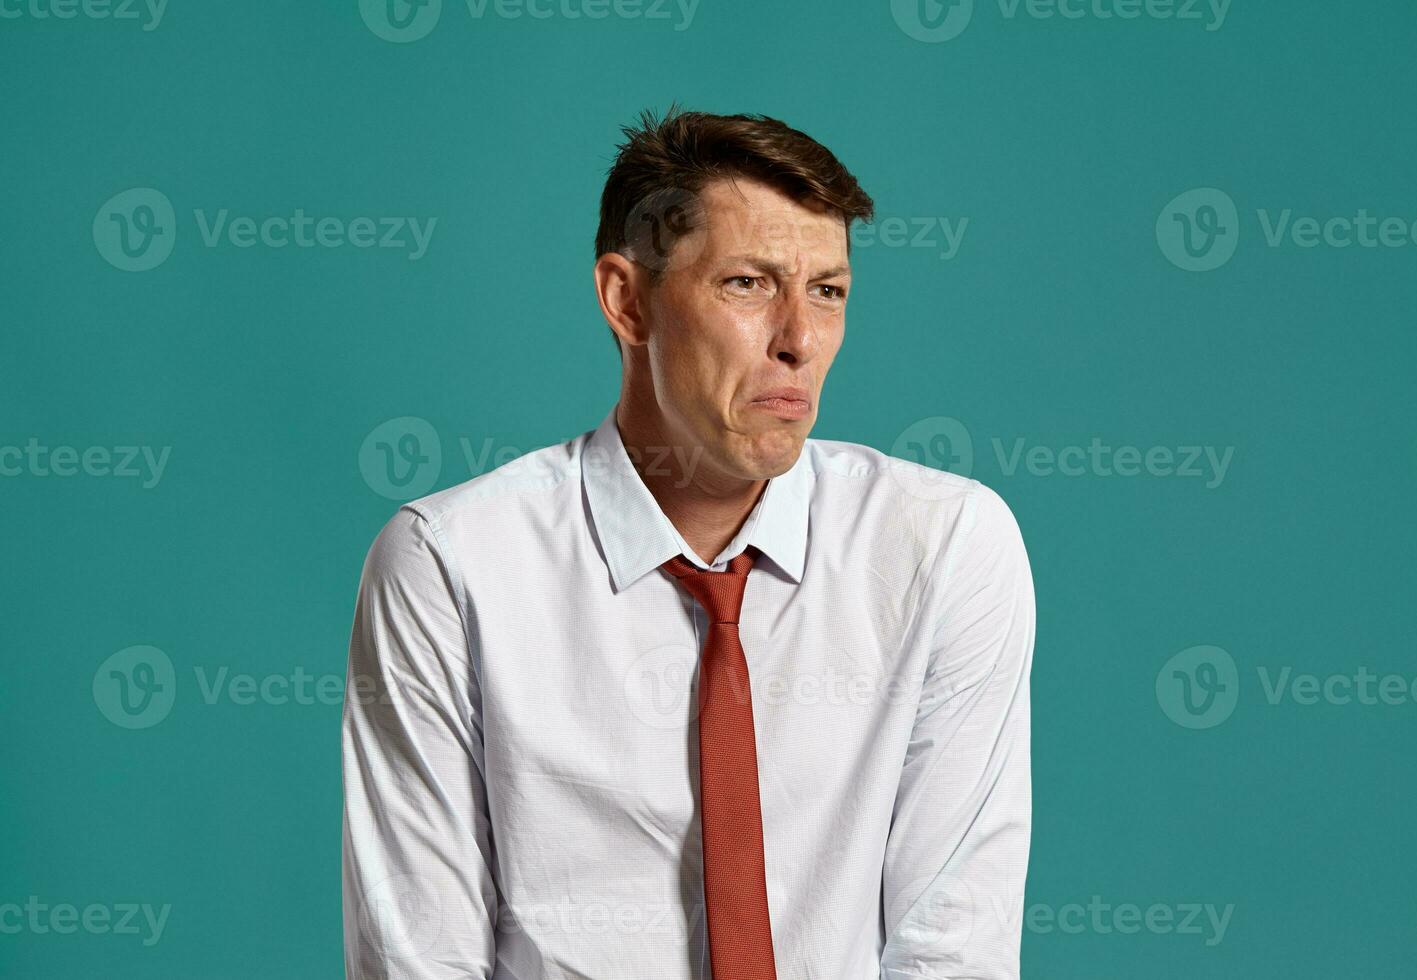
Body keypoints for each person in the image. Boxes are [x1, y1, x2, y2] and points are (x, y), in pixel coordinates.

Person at [342, 105, 1035, 979]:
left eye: (827, 290)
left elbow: (954, 952)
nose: (799, 341)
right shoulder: (451, 565)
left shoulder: (942, 547)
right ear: (627, 302)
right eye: (748, 283)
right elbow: (421, 961)